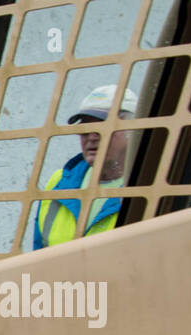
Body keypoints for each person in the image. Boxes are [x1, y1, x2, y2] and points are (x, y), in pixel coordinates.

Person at [33, 85, 139, 250]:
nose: (91, 137)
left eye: (102, 127)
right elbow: (38, 253)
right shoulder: (59, 182)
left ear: (131, 130)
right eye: (84, 128)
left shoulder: (146, 184)